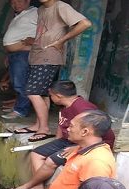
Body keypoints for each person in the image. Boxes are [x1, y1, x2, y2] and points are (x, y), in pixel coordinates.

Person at [5, 80, 115, 189]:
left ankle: (28, 185)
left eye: (50, 95)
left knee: (50, 161)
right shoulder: (65, 107)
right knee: (36, 153)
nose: (50, 98)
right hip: (68, 140)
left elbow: (103, 134)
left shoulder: (84, 109)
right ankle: (38, 187)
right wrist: (56, 142)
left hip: (80, 144)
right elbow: (61, 125)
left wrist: (79, 148)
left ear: (58, 96)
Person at [13, 0, 91, 143]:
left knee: (32, 91)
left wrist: (62, 41)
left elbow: (85, 23)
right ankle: (38, 125)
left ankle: (44, 128)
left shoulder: (61, 6)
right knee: (42, 93)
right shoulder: (41, 9)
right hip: (37, 55)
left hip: (49, 57)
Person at [0, 0, 38, 120]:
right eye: (13, 3)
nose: (16, 5)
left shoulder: (36, 12)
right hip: (15, 54)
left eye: (19, 2)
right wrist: (9, 53)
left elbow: (47, 30)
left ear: (28, 1)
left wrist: (34, 41)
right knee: (16, 83)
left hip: (23, 54)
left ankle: (21, 110)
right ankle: (18, 106)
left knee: (21, 83)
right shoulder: (19, 15)